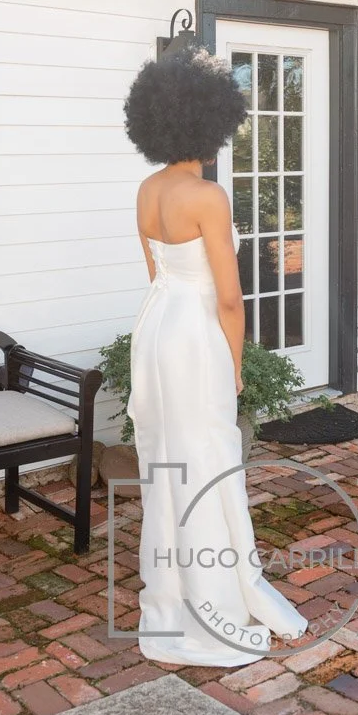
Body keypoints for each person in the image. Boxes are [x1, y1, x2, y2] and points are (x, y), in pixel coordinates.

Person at [123, 48, 308, 666]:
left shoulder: (147, 189)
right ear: (210, 124)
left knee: (168, 465)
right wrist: (234, 365)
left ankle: (172, 597)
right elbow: (229, 298)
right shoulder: (207, 196)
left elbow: (156, 274)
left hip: (155, 331)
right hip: (196, 335)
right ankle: (216, 602)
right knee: (208, 459)